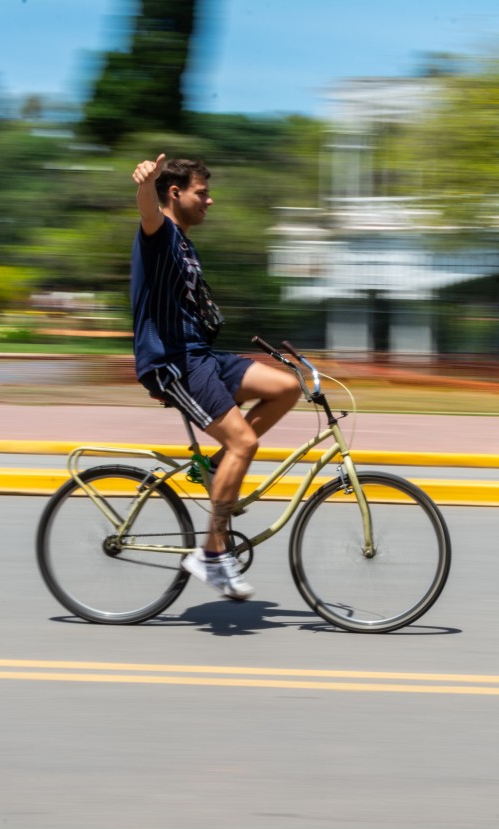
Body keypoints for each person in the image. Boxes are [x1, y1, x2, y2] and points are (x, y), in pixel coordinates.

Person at [129, 153, 299, 600]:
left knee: (286, 386)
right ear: (175, 193)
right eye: (202, 192)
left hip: (200, 354)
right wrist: (144, 184)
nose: (210, 200)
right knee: (245, 441)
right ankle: (210, 553)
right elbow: (147, 211)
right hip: (173, 362)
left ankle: (222, 467)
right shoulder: (161, 233)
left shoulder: (185, 243)